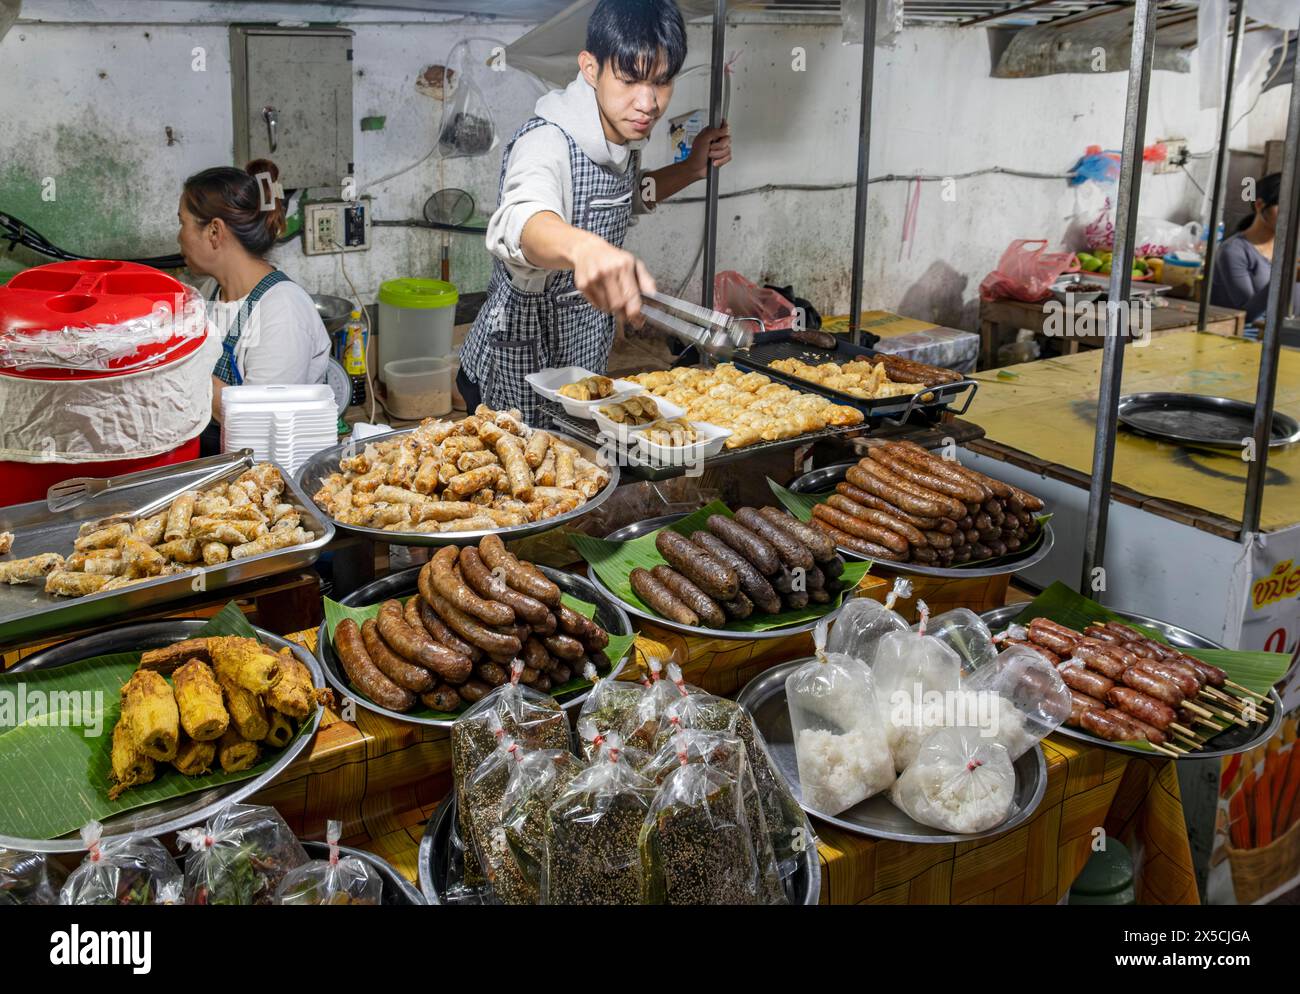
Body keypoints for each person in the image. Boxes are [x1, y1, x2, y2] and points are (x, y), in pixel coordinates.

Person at [460, 0, 733, 422]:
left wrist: (690, 169)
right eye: (629, 80)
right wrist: (585, 249)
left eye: (662, 82)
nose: (648, 103)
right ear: (590, 68)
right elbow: (521, 221)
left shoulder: (619, 136)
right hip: (520, 358)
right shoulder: (547, 141)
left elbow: (626, 197)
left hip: (581, 348)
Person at [177, 158, 331, 454]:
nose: (179, 237)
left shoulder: (282, 311)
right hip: (214, 459)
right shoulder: (212, 291)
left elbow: (258, 424)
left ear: (214, 231)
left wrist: (175, 371)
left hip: (264, 475)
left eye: (182, 223)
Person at [1210, 172, 1298, 327]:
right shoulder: (1234, 252)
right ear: (1259, 205)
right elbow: (1247, 315)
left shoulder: (1292, 249)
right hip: (1246, 340)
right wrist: (1286, 279)